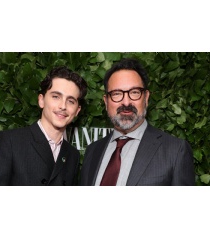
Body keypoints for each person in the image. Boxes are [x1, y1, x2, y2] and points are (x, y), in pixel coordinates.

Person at [80, 58, 195, 186]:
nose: (126, 102)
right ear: (106, 102)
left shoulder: (175, 151)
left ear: (146, 98)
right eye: (117, 93)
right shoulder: (92, 151)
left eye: (134, 92)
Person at [0, 66, 87, 186]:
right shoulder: (10, 141)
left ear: (77, 111)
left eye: (70, 101)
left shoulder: (72, 155)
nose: (63, 106)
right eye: (56, 97)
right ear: (41, 100)